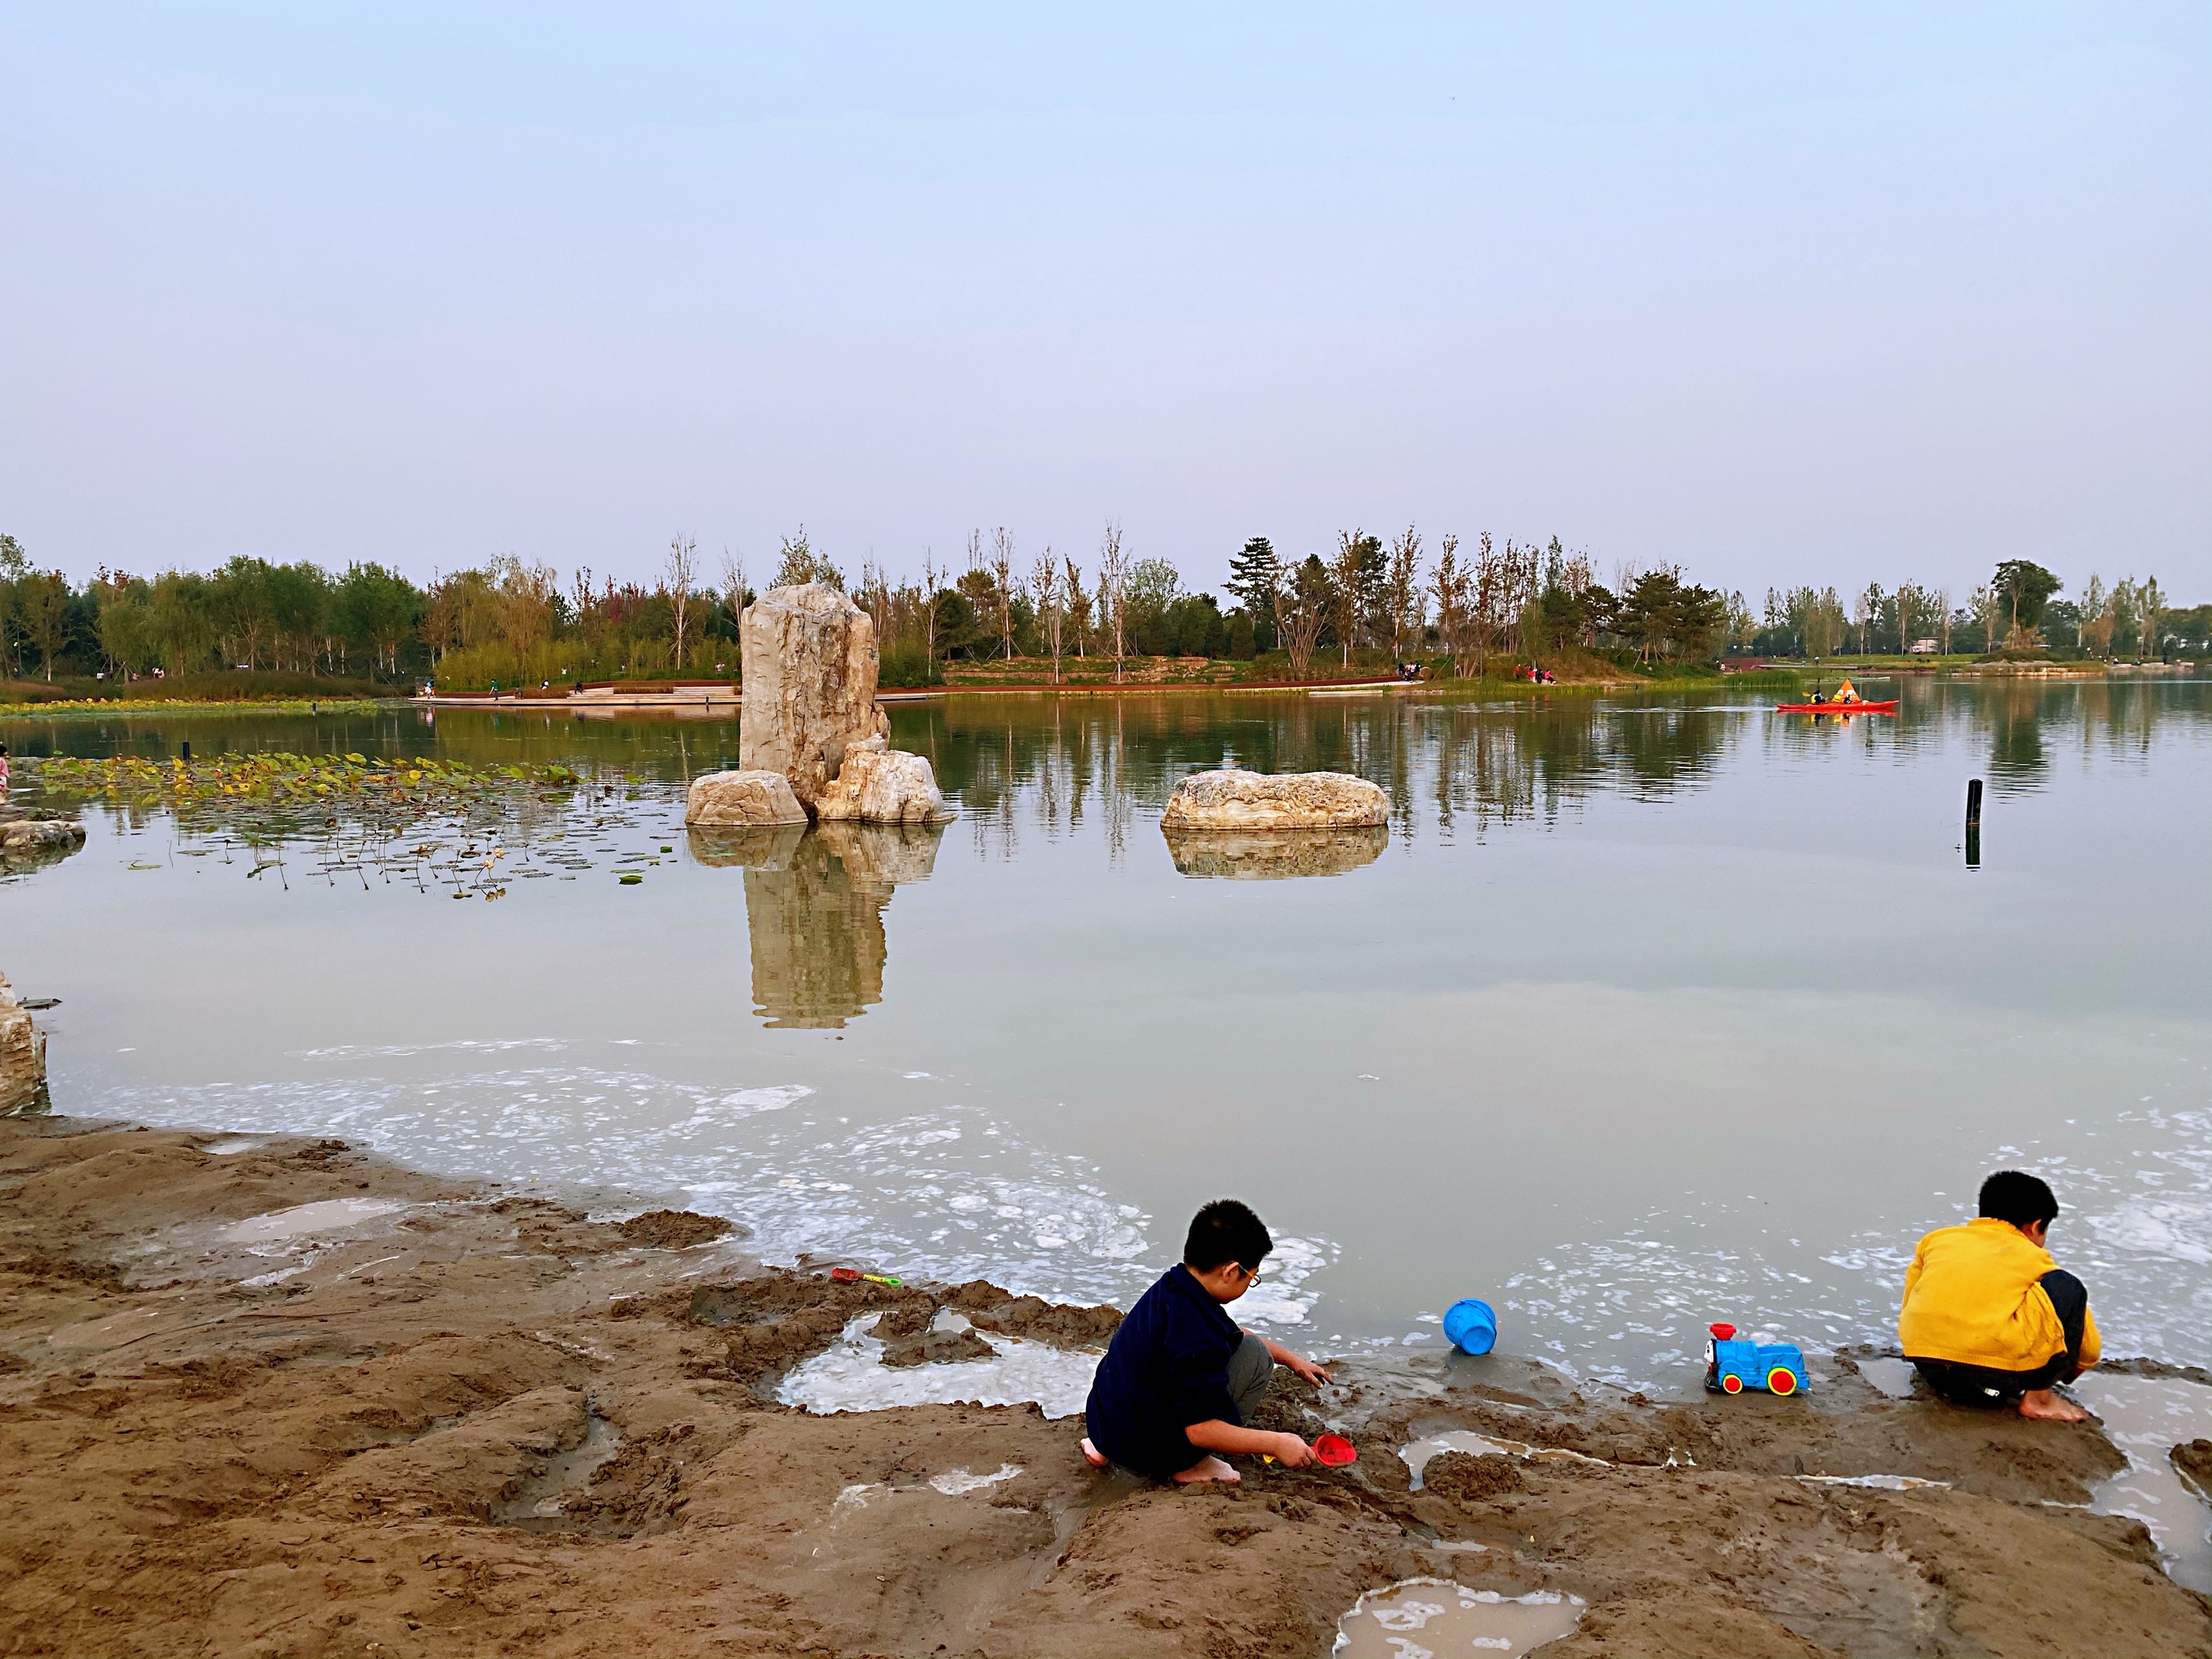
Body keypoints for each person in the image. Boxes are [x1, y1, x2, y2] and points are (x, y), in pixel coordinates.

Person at [1081, 1199, 1334, 1484]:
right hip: (1148, 1452)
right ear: (1230, 1271)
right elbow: (1200, 1430)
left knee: (1249, 1347)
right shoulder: (1198, 1334)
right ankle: (1191, 1464)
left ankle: (1103, 1448)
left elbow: (1236, 1332)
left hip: (1105, 1429)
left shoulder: (1173, 1289)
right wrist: (1277, 1443)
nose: (1250, 1284)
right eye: (1252, 1278)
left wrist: (1292, 1361)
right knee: (1258, 1358)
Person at [1899, 1170, 2100, 1421]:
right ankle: (2040, 1400)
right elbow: (2089, 1347)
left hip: (1930, 1370)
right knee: (2068, 1286)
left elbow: (1911, 1299)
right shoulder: (2034, 1257)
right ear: (2036, 1226)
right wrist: (2068, 1372)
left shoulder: (1936, 1241)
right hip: (1995, 1384)